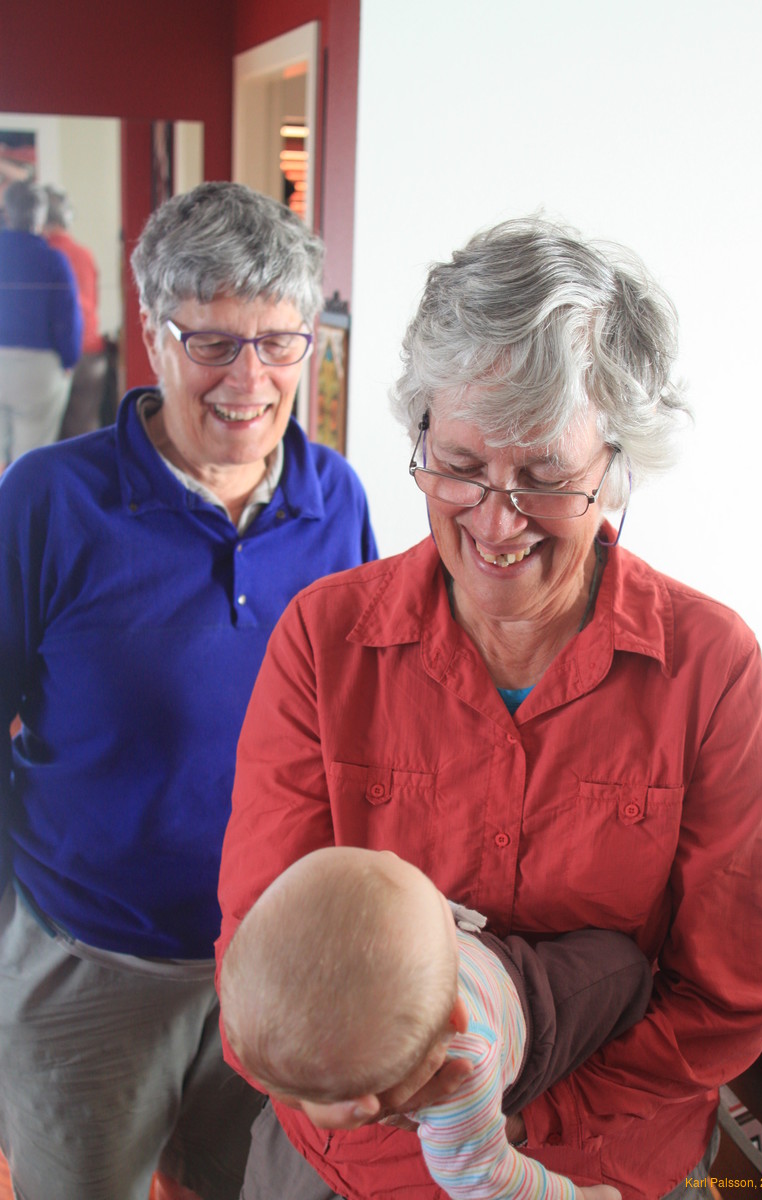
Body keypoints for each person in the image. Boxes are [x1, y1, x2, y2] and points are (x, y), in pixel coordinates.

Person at [216, 214, 762, 1200]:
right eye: (461, 468)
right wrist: (380, 1098)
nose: (494, 521)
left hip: (595, 1160)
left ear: (614, 467)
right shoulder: (327, 640)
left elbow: (729, 993)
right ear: (421, 432)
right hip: (351, 1168)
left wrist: (523, 1122)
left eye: (544, 480)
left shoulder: (705, 665)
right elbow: (260, 946)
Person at [0, 181, 377, 1200]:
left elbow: (360, 726)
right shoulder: (50, 499)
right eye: (212, 342)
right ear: (152, 335)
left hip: (273, 965)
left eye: (278, 341)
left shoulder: (335, 500)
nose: (247, 378)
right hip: (90, 961)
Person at [221, 845, 655, 1200]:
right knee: (622, 966)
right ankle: (638, 990)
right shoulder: (466, 1076)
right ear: (454, 1017)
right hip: (532, 1011)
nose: (391, 855)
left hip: (474, 964)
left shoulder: (340, 965)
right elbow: (485, 1178)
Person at [0, 180, 82, 467]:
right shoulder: (54, 260)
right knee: (29, 460)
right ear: (41, 216)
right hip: (38, 371)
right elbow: (67, 319)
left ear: (7, 212)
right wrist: (69, 360)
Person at [43, 185, 113, 439]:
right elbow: (94, 302)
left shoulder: (43, 256)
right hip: (92, 353)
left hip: (57, 357)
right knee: (85, 435)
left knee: (46, 436)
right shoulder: (84, 254)